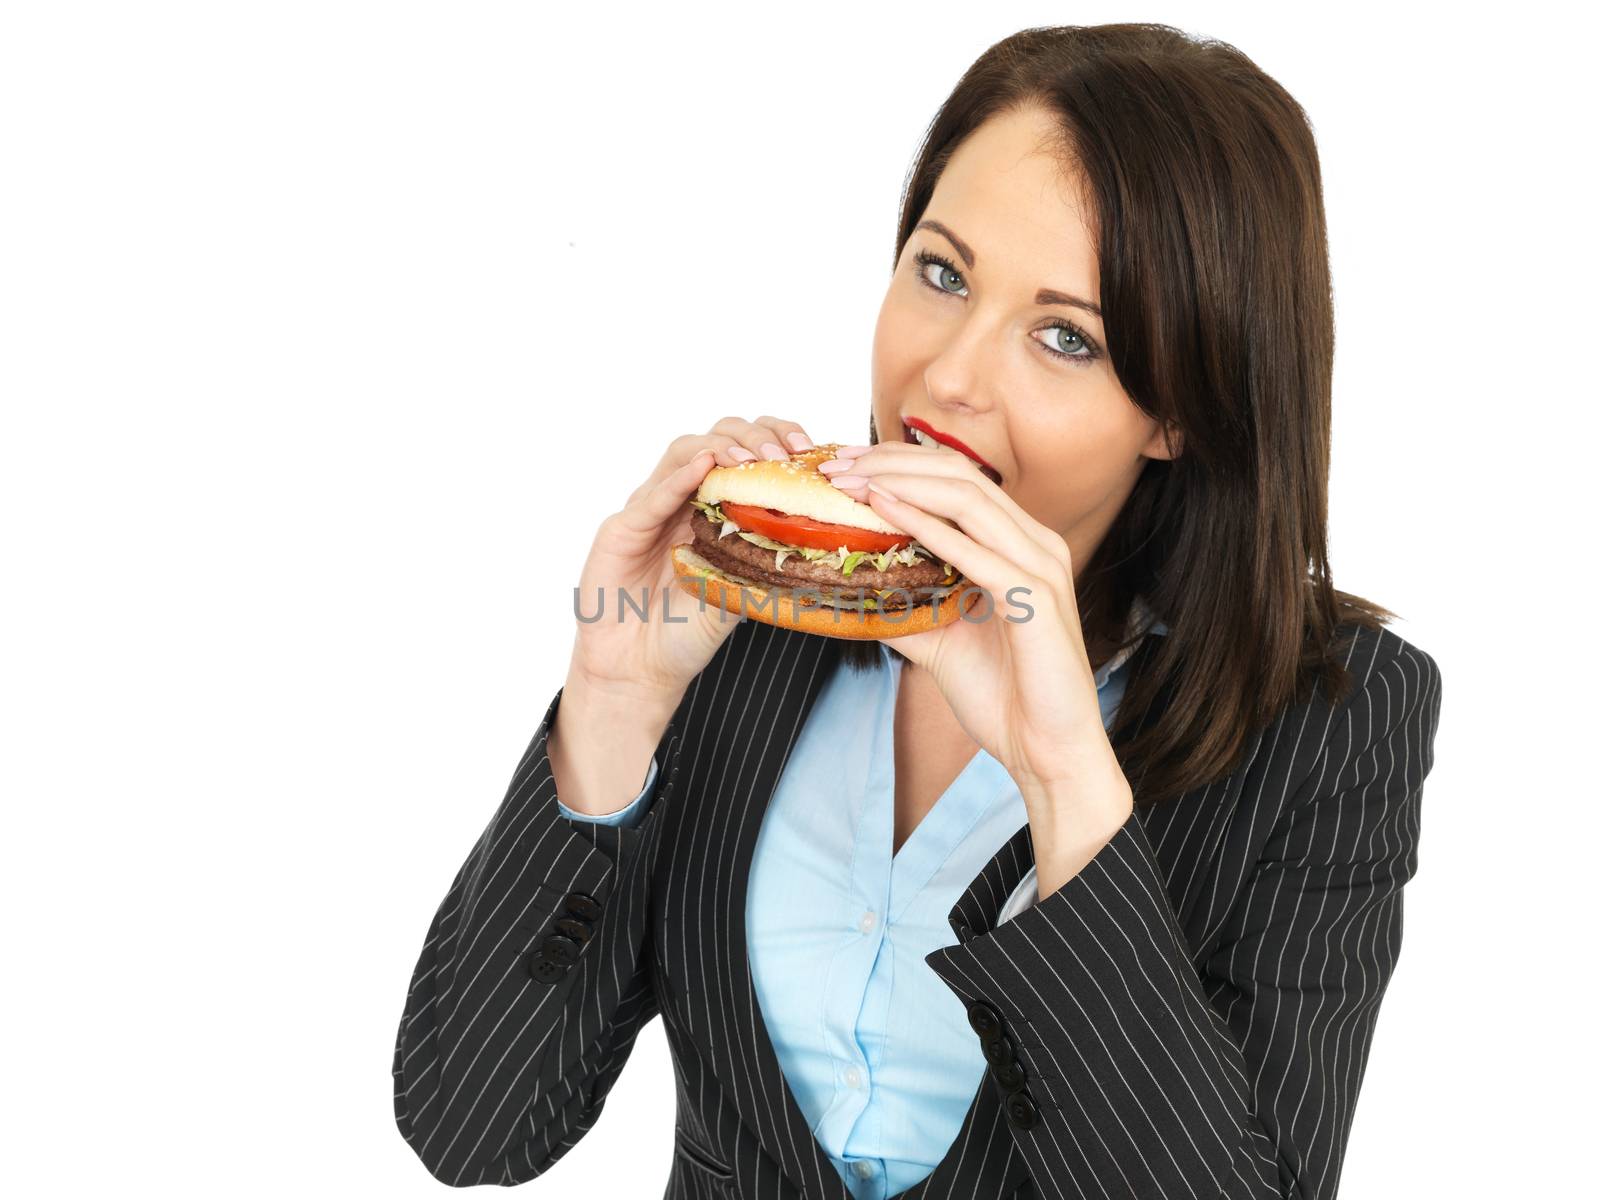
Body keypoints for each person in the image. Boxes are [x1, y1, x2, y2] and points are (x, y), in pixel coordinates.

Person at [392, 22, 1442, 1199]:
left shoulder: (1334, 720)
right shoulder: (742, 618)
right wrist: (613, 706)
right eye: (941, 273)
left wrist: (1065, 787)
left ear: (1179, 409)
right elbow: (469, 1126)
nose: (947, 376)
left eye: (1064, 338)